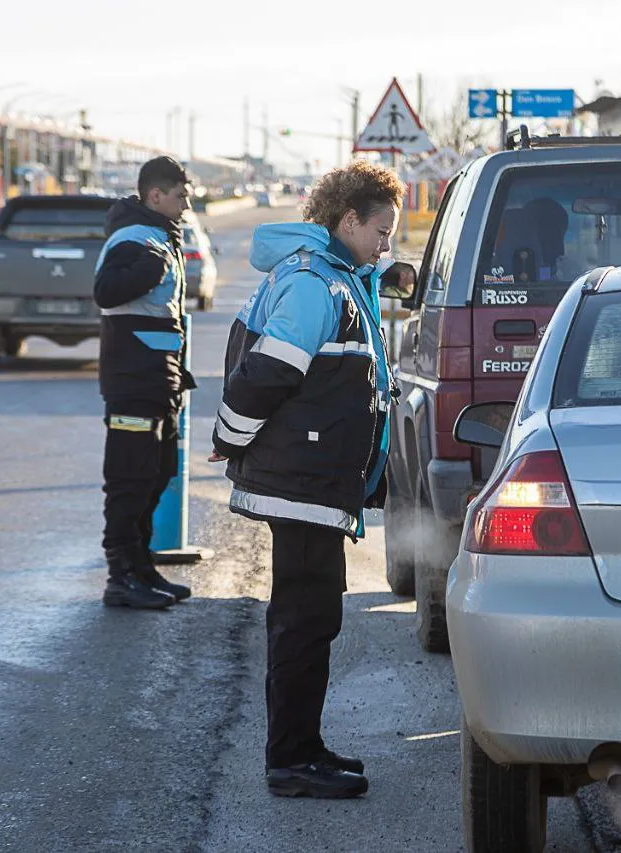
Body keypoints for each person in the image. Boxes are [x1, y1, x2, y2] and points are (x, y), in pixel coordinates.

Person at [210, 161, 411, 799]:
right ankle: (291, 760)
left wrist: (391, 272)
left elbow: (358, 295)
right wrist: (228, 438)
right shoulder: (311, 285)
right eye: (381, 231)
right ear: (346, 220)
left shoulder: (338, 273)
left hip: (312, 481)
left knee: (312, 618)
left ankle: (302, 747)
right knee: (303, 621)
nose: (386, 243)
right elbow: (267, 373)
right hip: (298, 483)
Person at [93, 156, 197, 610]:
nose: (187, 203)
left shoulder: (158, 235)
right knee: (129, 478)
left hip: (159, 379)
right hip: (132, 379)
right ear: (155, 195)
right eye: (180, 195)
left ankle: (141, 565)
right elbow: (106, 291)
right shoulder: (135, 239)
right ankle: (121, 577)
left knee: (157, 473)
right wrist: (145, 270)